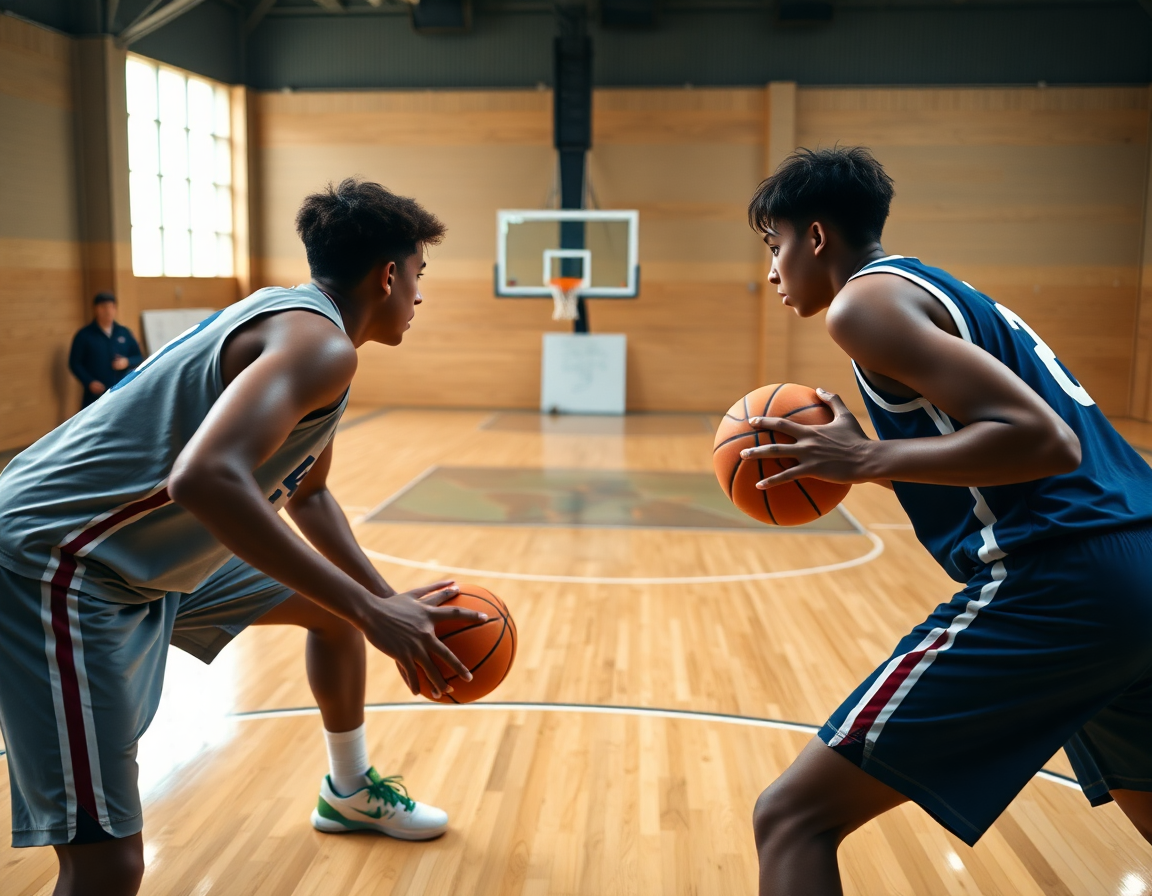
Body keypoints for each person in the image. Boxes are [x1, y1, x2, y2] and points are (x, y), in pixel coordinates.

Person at [0, 179, 487, 896]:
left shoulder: (305, 326)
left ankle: (349, 792)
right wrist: (371, 610)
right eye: (419, 274)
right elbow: (204, 479)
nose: (419, 295)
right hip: (61, 557)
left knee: (335, 613)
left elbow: (310, 496)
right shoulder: (320, 347)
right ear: (388, 275)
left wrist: (382, 603)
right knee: (107, 864)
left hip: (136, 548)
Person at [741, 147, 1152, 894]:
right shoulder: (933, 287)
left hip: (1067, 578)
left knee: (792, 817)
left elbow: (1046, 440)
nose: (772, 271)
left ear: (818, 237)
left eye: (776, 245)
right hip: (1138, 561)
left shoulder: (862, 306)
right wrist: (871, 459)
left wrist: (867, 457)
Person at [68, 292, 144, 407]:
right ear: (96, 309)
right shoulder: (84, 335)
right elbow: (75, 363)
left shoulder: (124, 332)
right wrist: (89, 382)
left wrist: (127, 362)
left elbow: (139, 357)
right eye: (103, 307)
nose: (108, 311)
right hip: (96, 395)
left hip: (122, 392)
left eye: (111, 307)